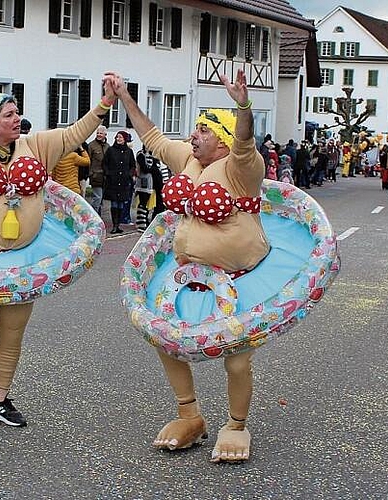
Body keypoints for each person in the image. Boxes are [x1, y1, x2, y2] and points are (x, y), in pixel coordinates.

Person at [0, 83, 115, 433]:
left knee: (12, 334)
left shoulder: (36, 146)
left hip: (21, 263)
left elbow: (78, 132)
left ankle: (0, 400)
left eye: (16, 113)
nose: (17, 119)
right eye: (9, 115)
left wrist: (105, 102)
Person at [106, 68, 268, 463]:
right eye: (195, 129)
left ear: (223, 143)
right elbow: (153, 137)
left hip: (237, 278)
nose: (193, 136)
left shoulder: (241, 167)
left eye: (204, 130)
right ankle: (189, 415)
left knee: (238, 356)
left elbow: (245, 137)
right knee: (166, 342)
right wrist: (125, 97)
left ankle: (236, 425)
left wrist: (242, 104)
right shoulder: (188, 160)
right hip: (188, 274)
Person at [103, 130, 136, 234]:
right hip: (113, 180)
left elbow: (132, 165)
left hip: (124, 181)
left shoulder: (129, 152)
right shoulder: (111, 150)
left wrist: (129, 175)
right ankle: (114, 225)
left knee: (121, 203)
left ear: (125, 139)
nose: (118, 139)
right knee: (114, 203)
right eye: (117, 137)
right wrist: (108, 173)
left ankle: (118, 225)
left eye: (120, 137)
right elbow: (105, 163)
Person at [87, 125, 109, 215]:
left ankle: (98, 216)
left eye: (101, 133)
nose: (99, 135)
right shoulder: (91, 145)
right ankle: (92, 215)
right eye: (98, 133)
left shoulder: (108, 146)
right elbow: (88, 160)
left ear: (105, 134)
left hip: (105, 176)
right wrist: (90, 173)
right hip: (95, 175)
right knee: (97, 197)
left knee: (101, 199)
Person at [134, 146, 154, 230]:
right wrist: (153, 169)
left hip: (149, 183)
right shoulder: (140, 154)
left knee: (146, 204)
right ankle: (140, 224)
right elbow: (145, 169)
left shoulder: (151, 154)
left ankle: (144, 221)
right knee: (142, 203)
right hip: (142, 183)